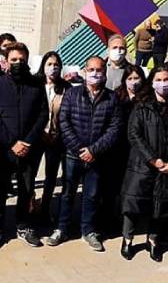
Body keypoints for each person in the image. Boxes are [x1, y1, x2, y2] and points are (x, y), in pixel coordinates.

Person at [120, 67, 168, 262]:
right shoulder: (142, 105)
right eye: (158, 79)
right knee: (133, 204)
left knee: (160, 206)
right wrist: (153, 159)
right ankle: (127, 239)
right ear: (151, 82)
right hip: (142, 165)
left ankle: (153, 240)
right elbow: (134, 134)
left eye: (166, 79)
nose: (163, 83)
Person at [52, 56, 122, 250]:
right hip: (73, 155)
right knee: (67, 194)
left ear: (105, 73)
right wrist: (78, 148)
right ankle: (61, 228)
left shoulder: (112, 98)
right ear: (84, 71)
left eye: (99, 70)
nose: (95, 74)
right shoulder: (72, 94)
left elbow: (114, 129)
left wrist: (94, 150)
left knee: (91, 195)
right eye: (91, 70)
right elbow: (64, 122)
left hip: (97, 156)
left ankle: (88, 231)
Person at [0, 42, 48, 248]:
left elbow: (43, 115)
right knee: (0, 189)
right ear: (6, 61)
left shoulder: (36, 84)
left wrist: (28, 141)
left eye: (21, 59)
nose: (18, 63)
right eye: (14, 59)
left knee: (26, 188)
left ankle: (23, 225)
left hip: (29, 148)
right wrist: (12, 142)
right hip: (4, 148)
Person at [104, 64, 147, 234]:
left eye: (137, 78)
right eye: (130, 78)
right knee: (114, 186)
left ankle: (128, 222)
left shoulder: (146, 98)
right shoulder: (117, 96)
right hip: (117, 148)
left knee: (132, 188)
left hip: (137, 150)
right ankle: (111, 220)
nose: (134, 82)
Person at [34, 51, 68, 225]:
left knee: (51, 175)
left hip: (56, 138)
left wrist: (58, 135)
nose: (53, 68)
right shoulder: (35, 84)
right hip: (36, 136)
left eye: (56, 65)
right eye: (49, 64)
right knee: (30, 175)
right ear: (43, 66)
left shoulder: (66, 88)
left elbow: (67, 116)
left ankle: (46, 207)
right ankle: (30, 205)